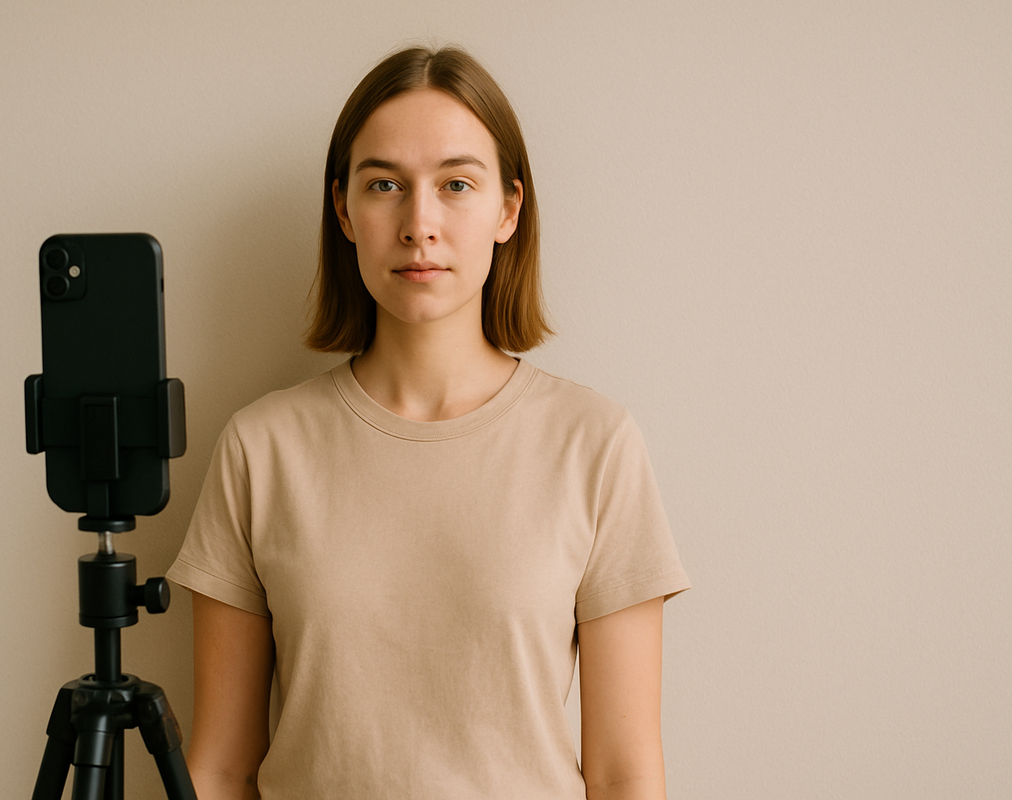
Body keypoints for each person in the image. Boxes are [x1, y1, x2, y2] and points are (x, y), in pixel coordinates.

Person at [167, 45, 690, 800]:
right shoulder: (262, 449)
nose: (420, 223)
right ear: (344, 209)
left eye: (455, 184)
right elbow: (218, 768)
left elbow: (626, 774)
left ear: (508, 209)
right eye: (385, 184)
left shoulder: (594, 444)